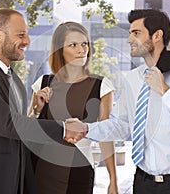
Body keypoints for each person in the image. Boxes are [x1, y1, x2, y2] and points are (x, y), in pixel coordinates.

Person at [65, 9, 170, 194]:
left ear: (157, 35)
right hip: (142, 181)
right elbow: (122, 125)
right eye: (129, 33)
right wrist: (87, 129)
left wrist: (165, 91)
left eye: (136, 33)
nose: (129, 40)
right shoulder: (134, 78)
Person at [0, 8, 84, 194]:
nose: (27, 41)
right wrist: (63, 129)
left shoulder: (13, 77)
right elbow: (8, 124)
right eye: (21, 35)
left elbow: (17, 128)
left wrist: (35, 111)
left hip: (16, 178)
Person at [27, 22, 118, 194]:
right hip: (40, 169)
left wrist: (113, 179)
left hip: (79, 169)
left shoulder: (101, 86)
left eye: (84, 43)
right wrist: (37, 110)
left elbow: (106, 134)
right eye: (73, 45)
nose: (81, 50)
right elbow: (27, 131)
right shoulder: (43, 83)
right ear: (60, 50)